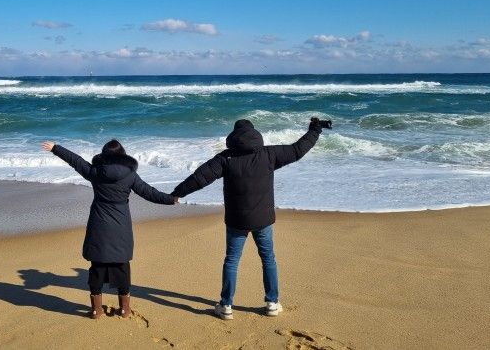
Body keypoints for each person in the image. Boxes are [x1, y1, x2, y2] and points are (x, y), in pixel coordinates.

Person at [170, 118, 324, 320]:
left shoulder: (226, 158)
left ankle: (226, 306)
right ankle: (272, 303)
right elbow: (298, 150)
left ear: (233, 137)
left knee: (232, 261)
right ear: (255, 134)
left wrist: (177, 193)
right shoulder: (269, 154)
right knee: (268, 259)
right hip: (263, 220)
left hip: (237, 220)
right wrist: (315, 130)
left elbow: (200, 177)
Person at [42, 139, 177, 319]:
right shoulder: (130, 175)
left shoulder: (95, 172)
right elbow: (149, 193)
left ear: (104, 155)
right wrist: (171, 199)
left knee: (97, 266)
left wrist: (56, 148)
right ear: (123, 156)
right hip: (121, 226)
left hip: (99, 225)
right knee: (122, 265)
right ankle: (124, 309)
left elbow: (75, 161)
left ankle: (97, 310)